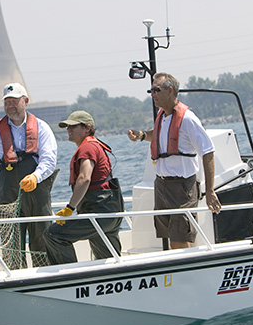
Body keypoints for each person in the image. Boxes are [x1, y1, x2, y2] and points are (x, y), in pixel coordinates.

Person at [127, 73, 222, 249]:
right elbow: (158, 136)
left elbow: (208, 152)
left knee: (180, 237)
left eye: (156, 90)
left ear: (170, 91)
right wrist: (141, 135)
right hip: (161, 185)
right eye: (151, 91)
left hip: (182, 187)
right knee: (168, 235)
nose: (153, 94)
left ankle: (187, 274)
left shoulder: (188, 119)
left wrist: (210, 191)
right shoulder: (162, 116)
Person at [0, 83, 58, 267]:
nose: (10, 106)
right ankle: (15, 276)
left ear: (26, 101)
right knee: (11, 242)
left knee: (42, 238)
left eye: (14, 101)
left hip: (37, 194)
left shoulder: (42, 127)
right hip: (8, 196)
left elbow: (49, 160)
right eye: (7, 102)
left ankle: (44, 275)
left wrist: (36, 177)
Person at [44, 111, 122, 265]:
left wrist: (70, 207)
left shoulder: (87, 148)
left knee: (53, 235)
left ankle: (69, 277)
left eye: (73, 126)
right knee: (107, 260)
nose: (69, 130)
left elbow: (85, 177)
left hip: (99, 211)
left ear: (87, 128)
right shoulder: (95, 145)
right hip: (111, 212)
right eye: (67, 127)